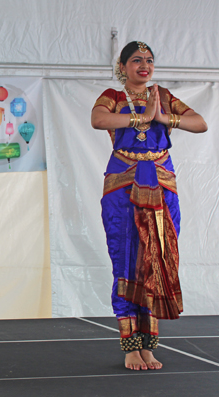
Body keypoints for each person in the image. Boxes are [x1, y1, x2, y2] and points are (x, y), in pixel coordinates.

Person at [91, 41, 207, 371]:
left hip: (161, 186)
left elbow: (200, 123)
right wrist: (137, 119)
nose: (145, 65)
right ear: (123, 66)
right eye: (137, 60)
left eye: (150, 60)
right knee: (127, 260)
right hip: (124, 187)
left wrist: (163, 117)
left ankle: (149, 346)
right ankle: (130, 346)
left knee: (157, 259)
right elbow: (98, 120)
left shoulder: (163, 95)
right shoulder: (113, 98)